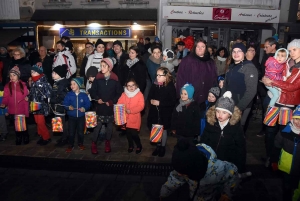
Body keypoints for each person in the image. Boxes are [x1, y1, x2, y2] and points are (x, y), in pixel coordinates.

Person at [160, 139, 240, 200]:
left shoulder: (216, 169)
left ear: (194, 167)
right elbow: (175, 179)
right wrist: (164, 193)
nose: (179, 174)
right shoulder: (183, 168)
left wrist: (227, 194)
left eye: (183, 173)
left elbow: (233, 172)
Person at [262, 39, 300, 167]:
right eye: (290, 50)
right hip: (274, 98)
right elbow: (271, 72)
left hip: (288, 104)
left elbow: (291, 86)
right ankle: (270, 157)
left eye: (294, 49)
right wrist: (265, 78)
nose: (291, 52)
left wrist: (271, 82)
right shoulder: (286, 62)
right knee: (269, 130)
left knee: (283, 132)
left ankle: (278, 160)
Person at [200, 91, 246, 172]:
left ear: (230, 114)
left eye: (224, 112)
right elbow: (204, 140)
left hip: (227, 162)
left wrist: (239, 167)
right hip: (211, 160)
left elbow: (240, 148)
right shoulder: (211, 123)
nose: (220, 115)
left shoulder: (235, 127)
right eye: (218, 111)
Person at [89, 58, 123, 154]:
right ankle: (94, 143)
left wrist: (112, 101)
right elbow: (93, 91)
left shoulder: (115, 79)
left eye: (104, 66)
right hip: (100, 107)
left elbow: (119, 93)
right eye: (101, 66)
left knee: (109, 126)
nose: (102, 68)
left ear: (109, 67)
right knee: (97, 126)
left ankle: (107, 142)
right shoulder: (98, 78)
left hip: (110, 107)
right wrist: (97, 98)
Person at [222, 43, 258, 128]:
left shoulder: (249, 67)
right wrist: (223, 101)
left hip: (241, 105)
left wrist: (239, 108)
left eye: (239, 51)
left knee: (237, 129)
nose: (236, 54)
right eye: (234, 51)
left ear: (244, 53)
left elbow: (251, 91)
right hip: (229, 103)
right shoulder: (232, 66)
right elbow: (226, 85)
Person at [271, 105, 300, 200]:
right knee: (286, 187)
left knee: (297, 188)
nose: (298, 122)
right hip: (285, 166)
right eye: (296, 119)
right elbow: (276, 145)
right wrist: (274, 160)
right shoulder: (285, 131)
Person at [176, 38, 218, 104]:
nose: (200, 49)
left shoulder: (210, 62)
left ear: (205, 48)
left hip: (206, 97)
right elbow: (180, 78)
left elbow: (214, 79)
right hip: (190, 98)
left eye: (202, 47)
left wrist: (214, 94)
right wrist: (180, 95)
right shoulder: (187, 60)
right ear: (195, 48)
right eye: (198, 46)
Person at [147, 67, 176, 157]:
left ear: (166, 76)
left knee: (163, 130)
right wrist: (150, 100)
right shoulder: (154, 85)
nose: (158, 77)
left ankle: (163, 147)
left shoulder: (170, 87)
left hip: (165, 112)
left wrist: (160, 103)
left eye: (160, 75)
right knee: (156, 128)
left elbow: (172, 101)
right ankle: (158, 146)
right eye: (157, 75)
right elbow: (150, 95)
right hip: (155, 112)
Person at [1, 66, 29, 145]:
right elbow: (5, 97)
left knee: (23, 124)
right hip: (13, 109)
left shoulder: (23, 85)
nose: (12, 77)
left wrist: (27, 98)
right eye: (10, 75)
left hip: (22, 108)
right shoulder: (7, 86)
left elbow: (27, 95)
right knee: (16, 125)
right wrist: (4, 103)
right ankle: (18, 137)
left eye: (14, 75)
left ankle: (25, 136)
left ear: (18, 76)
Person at [257, 37, 278, 137]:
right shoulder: (266, 56)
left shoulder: (278, 57)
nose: (264, 49)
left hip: (273, 90)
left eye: (266, 47)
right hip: (263, 88)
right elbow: (263, 70)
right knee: (265, 109)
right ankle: (264, 129)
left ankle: (267, 130)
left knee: (270, 110)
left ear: (273, 46)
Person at [117, 78, 144, 154]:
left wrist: (131, 110)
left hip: (134, 118)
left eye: (133, 85)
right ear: (126, 87)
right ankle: (130, 145)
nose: (131, 87)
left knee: (134, 134)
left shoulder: (139, 94)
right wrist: (120, 108)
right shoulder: (124, 94)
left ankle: (139, 145)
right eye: (129, 86)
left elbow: (141, 106)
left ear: (136, 86)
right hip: (126, 118)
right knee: (128, 134)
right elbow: (119, 102)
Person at [64, 77, 90, 153]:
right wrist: (68, 107)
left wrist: (84, 108)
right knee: (71, 132)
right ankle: (70, 145)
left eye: (74, 84)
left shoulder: (84, 95)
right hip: (71, 117)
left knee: (80, 132)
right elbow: (65, 104)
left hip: (81, 117)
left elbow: (88, 104)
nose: (72, 86)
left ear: (78, 85)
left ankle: (80, 144)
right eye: (71, 84)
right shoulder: (69, 95)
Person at [27, 64, 52, 145]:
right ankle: (41, 135)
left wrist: (46, 98)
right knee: (37, 121)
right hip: (34, 104)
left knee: (41, 122)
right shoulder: (34, 81)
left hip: (41, 105)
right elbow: (32, 92)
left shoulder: (43, 82)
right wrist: (29, 97)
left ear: (39, 73)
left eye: (34, 72)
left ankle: (46, 137)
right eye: (31, 72)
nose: (32, 73)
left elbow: (49, 92)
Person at [49, 64, 70, 147]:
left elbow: (62, 97)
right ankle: (63, 137)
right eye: (52, 73)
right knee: (59, 122)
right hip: (56, 106)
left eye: (54, 73)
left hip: (60, 106)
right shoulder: (57, 82)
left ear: (60, 74)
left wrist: (51, 100)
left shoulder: (62, 84)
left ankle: (65, 138)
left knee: (62, 123)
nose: (52, 74)